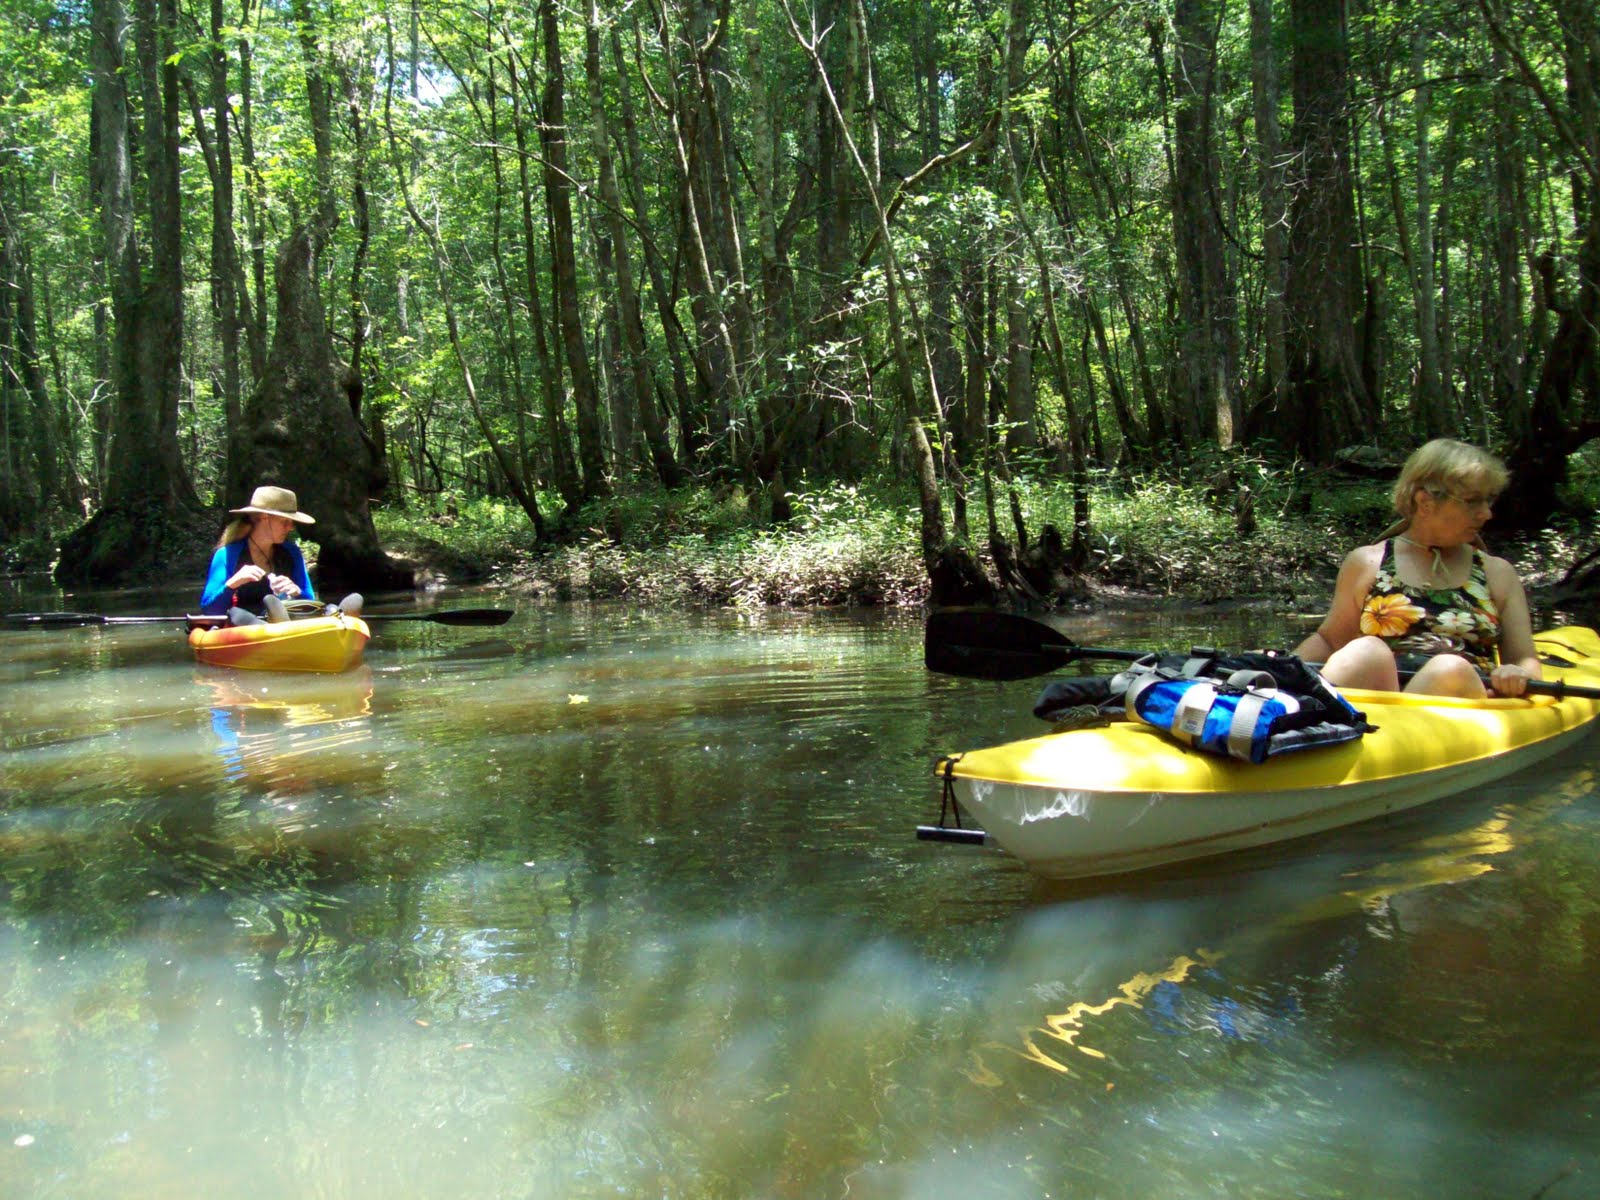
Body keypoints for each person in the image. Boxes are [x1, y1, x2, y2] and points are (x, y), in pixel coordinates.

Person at [1294, 439, 1541, 699]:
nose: (1486, 513)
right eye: (1472, 501)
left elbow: (1524, 658)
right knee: (1365, 651)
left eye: (1487, 500)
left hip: (1462, 702)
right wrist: (1280, 666)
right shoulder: (1366, 563)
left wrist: (1518, 672)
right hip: (1383, 704)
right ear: (1425, 502)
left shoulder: (1497, 573)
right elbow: (1330, 641)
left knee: (1449, 669)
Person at [200, 485, 361, 625]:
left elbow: (310, 600)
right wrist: (233, 584)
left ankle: (337, 617)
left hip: (290, 622)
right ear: (264, 518)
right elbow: (209, 610)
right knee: (237, 615)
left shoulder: (291, 552)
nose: (291, 527)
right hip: (248, 625)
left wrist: (296, 591)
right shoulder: (228, 555)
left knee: (331, 607)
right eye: (285, 521)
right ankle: (275, 622)